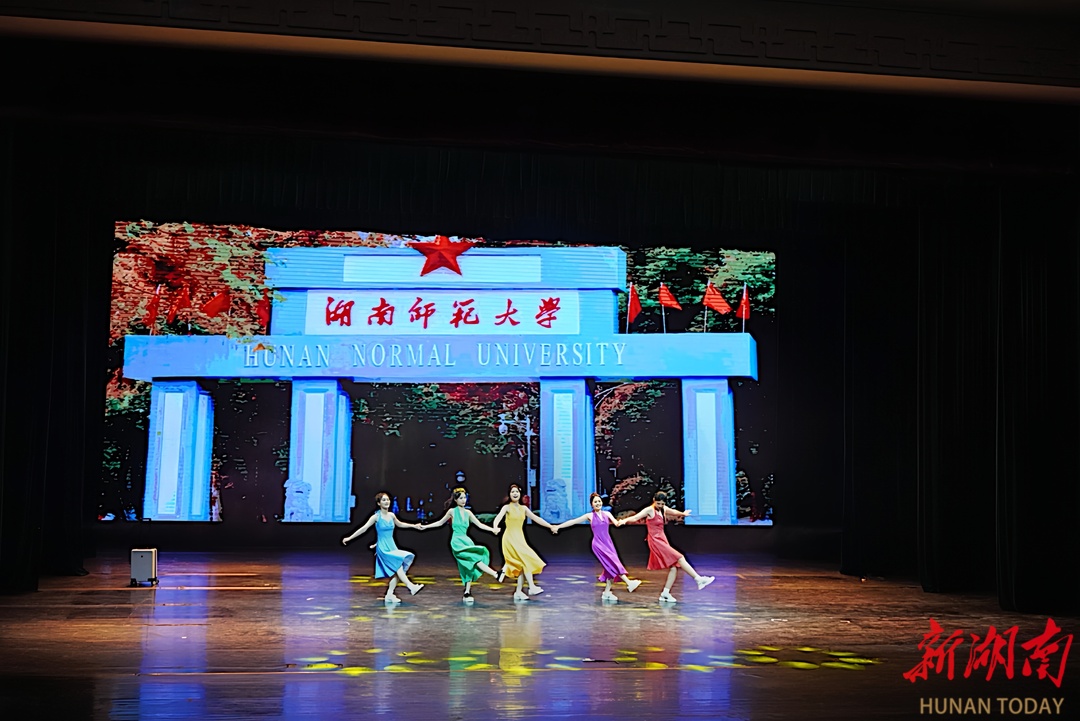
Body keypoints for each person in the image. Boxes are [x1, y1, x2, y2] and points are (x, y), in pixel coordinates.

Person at [618, 490, 714, 603]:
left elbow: (673, 512)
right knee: (680, 557)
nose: (660, 505)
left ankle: (665, 593)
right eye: (658, 503)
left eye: (662, 504)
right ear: (654, 500)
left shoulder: (663, 509)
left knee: (674, 567)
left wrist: (683, 514)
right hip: (655, 540)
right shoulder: (649, 510)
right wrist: (624, 521)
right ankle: (698, 579)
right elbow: (635, 517)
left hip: (662, 539)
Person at [552, 492, 641, 601]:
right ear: (592, 504)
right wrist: (558, 527)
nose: (598, 503)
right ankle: (629, 583)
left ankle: (607, 592)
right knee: (614, 563)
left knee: (609, 567)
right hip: (598, 544)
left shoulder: (607, 514)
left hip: (608, 543)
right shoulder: (589, 516)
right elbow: (573, 521)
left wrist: (623, 521)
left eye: (599, 501)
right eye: (595, 502)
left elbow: (616, 523)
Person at [420, 487, 502, 603]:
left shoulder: (468, 513)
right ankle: (495, 574)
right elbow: (440, 522)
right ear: (456, 500)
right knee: (474, 560)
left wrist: (492, 530)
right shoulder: (452, 511)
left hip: (466, 541)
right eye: (461, 498)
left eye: (464, 498)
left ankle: (467, 592)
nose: (463, 500)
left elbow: (480, 525)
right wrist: (425, 527)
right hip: (457, 542)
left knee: (468, 566)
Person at [342, 492, 424, 604]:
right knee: (398, 567)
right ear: (379, 503)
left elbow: (400, 524)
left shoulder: (392, 515)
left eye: (388, 500)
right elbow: (364, 528)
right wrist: (349, 538)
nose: (386, 502)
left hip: (392, 546)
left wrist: (414, 526)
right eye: (384, 500)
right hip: (383, 548)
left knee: (397, 570)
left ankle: (389, 594)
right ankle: (411, 586)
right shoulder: (376, 517)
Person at [492, 484, 558, 601]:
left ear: (520, 494)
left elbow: (537, 519)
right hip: (510, 538)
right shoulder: (507, 507)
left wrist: (550, 526)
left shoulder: (524, 509)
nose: (515, 494)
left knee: (522, 565)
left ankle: (518, 592)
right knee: (525, 560)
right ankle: (531, 586)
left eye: (517, 492)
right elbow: (497, 518)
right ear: (509, 494)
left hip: (520, 538)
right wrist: (495, 527)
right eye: (512, 492)